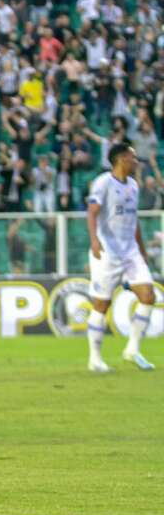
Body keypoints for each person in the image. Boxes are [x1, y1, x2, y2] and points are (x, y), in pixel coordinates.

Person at [85, 143, 155, 372]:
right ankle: (95, 359)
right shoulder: (103, 182)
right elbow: (92, 213)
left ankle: (132, 350)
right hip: (107, 251)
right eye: (133, 157)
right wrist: (94, 240)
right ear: (121, 159)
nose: (136, 162)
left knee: (148, 296)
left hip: (131, 251)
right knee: (101, 304)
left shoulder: (134, 186)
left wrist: (142, 250)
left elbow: (133, 221)